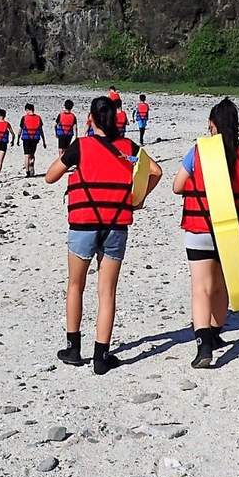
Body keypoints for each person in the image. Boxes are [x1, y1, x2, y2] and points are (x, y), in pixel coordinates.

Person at [44, 96, 162, 375]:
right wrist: (138, 198)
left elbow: (50, 176)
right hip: (116, 225)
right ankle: (101, 356)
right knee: (107, 291)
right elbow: (156, 171)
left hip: (84, 224)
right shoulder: (129, 147)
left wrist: (72, 162)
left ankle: (73, 348)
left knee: (76, 285)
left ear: (91, 118)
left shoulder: (80, 146)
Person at [171, 98, 239, 368]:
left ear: (212, 124)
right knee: (221, 285)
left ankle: (204, 345)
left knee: (201, 288)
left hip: (200, 228)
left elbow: (177, 186)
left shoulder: (198, 151)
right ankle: (216, 333)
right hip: (231, 230)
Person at [17, 103, 46, 177]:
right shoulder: (38, 118)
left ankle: (27, 172)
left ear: (27, 110)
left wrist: (17, 139)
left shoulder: (24, 118)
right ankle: (32, 168)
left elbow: (20, 130)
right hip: (35, 138)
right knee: (32, 155)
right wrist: (44, 141)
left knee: (26, 155)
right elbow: (41, 130)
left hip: (26, 138)